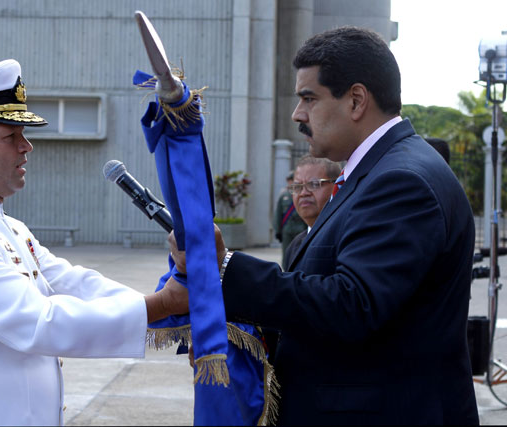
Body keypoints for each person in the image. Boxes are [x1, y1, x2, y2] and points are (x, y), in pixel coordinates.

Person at [170, 27, 479, 424]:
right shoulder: (375, 172)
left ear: (355, 100)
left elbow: (351, 305)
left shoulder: (403, 180)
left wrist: (226, 266)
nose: (298, 114)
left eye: (309, 98)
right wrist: (245, 337)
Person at [0, 59, 187, 426]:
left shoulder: (6, 227)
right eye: (11, 137)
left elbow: (74, 284)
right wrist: (159, 305)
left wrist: (167, 306)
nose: (27, 147)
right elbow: (38, 322)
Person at [283, 155, 341, 268]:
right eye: (297, 187)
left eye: (314, 184)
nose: (303, 193)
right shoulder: (294, 245)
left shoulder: (345, 239)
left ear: (337, 186)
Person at [273, 170, 307, 267]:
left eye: (292, 179)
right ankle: (286, 271)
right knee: (287, 252)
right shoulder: (284, 195)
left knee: (300, 252)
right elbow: (278, 214)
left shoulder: (303, 193)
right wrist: (278, 231)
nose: (290, 181)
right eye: (289, 179)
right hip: (287, 229)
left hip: (300, 228)